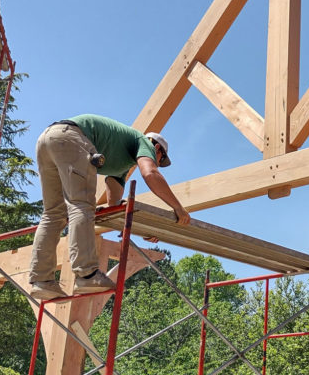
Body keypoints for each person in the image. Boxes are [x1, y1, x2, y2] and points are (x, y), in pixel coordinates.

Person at [29, 114, 190, 300]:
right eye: (160, 159)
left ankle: (42, 281)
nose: (157, 163)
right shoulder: (143, 141)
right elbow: (150, 173)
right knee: (81, 205)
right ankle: (87, 275)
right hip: (71, 137)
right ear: (156, 148)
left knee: (53, 214)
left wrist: (138, 230)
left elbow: (114, 208)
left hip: (48, 140)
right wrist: (178, 208)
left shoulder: (121, 164)